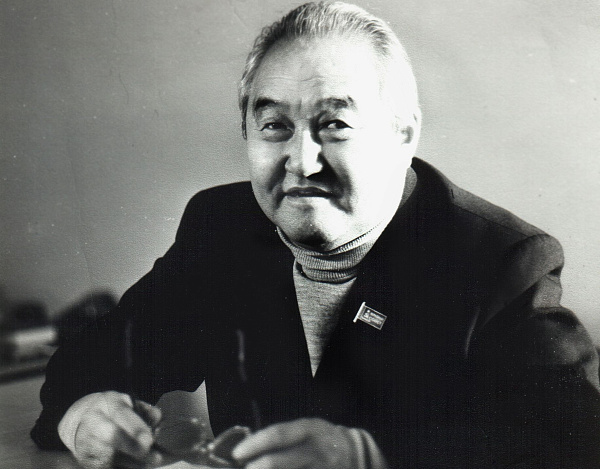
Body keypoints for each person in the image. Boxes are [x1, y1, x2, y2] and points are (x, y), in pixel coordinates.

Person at [31, 2, 600, 468]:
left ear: (403, 135)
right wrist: (84, 414)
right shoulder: (221, 227)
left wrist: (370, 457)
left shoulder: (499, 259)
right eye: (274, 126)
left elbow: (573, 441)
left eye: (335, 125)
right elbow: (93, 360)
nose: (302, 161)